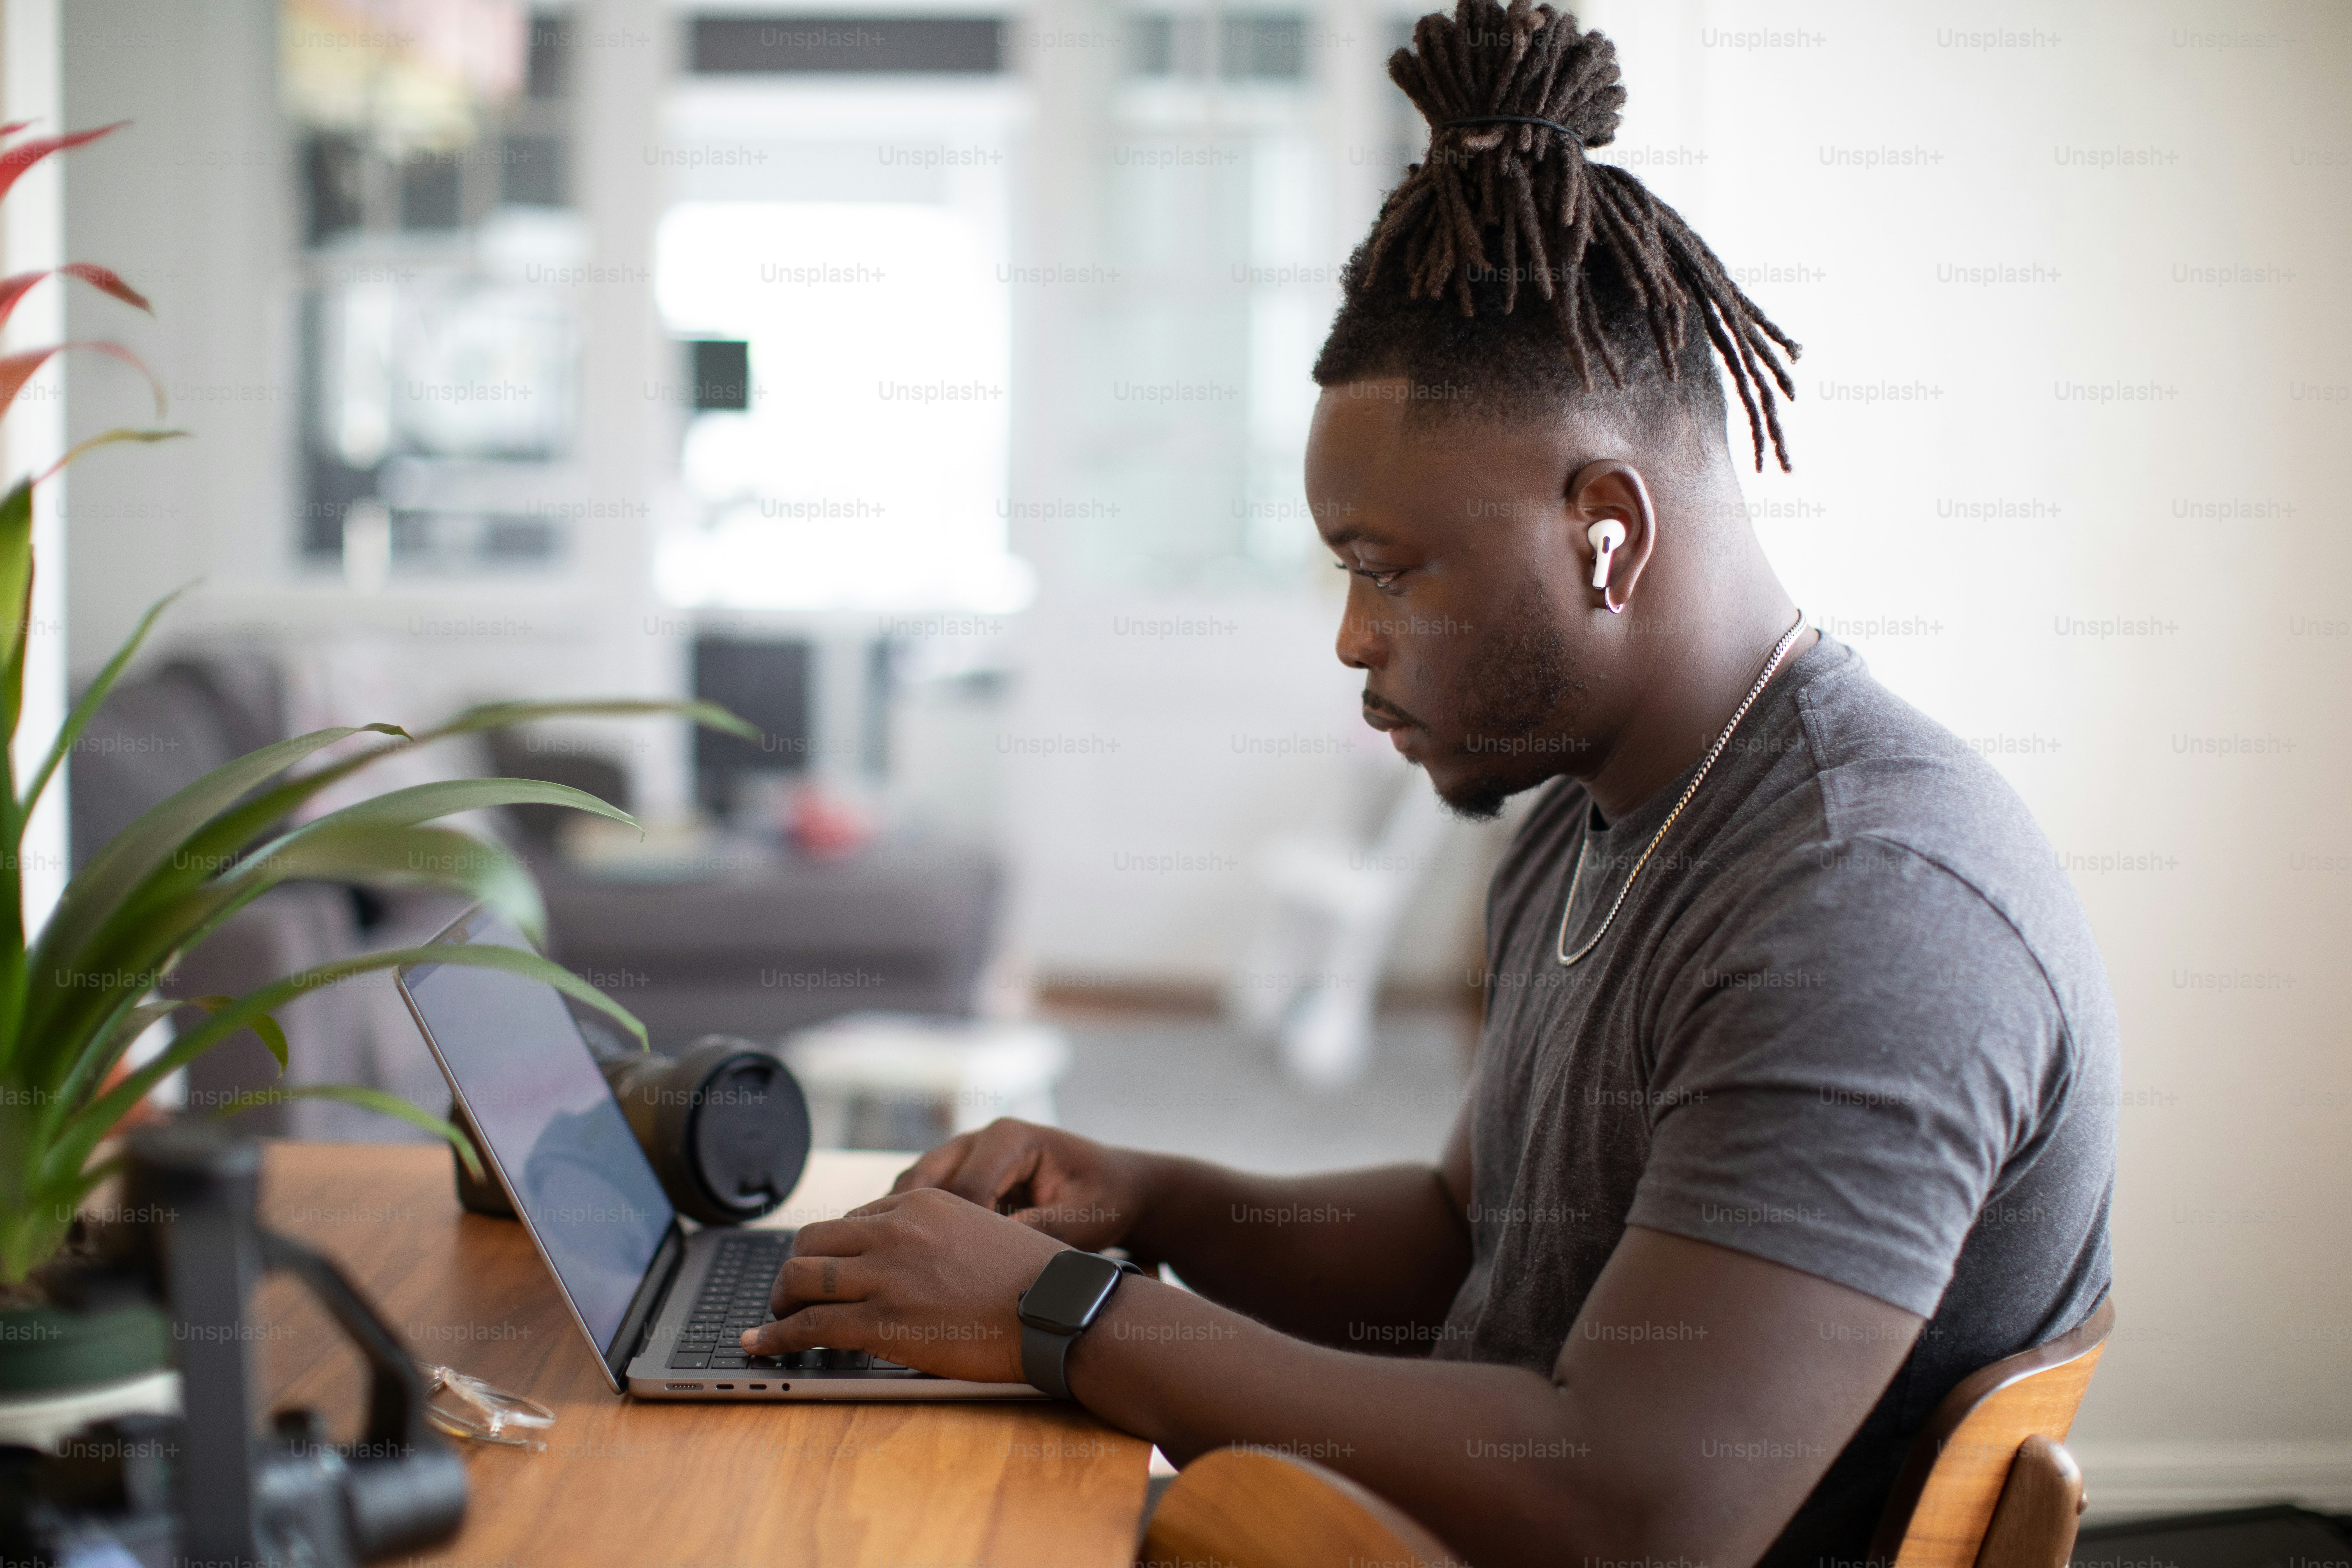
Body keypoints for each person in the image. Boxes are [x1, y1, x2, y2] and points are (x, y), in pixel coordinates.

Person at [743, 4, 2119, 1562]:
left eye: (1388, 571)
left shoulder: (1868, 901)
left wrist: (1068, 1315)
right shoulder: (1590, 816)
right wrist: (1152, 1196)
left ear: (1607, 532)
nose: (1352, 635)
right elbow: (1473, 1246)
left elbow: (1635, 1511)